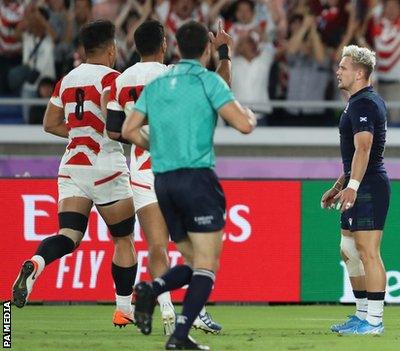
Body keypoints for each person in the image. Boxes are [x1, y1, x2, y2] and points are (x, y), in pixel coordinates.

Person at [122, 21, 256, 350]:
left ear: (177, 47)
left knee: (194, 261)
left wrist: (154, 145)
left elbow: (127, 130)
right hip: (196, 179)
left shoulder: (158, 83)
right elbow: (242, 125)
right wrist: (250, 116)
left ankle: (155, 292)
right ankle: (177, 332)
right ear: (207, 48)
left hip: (163, 182)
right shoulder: (207, 81)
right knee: (207, 265)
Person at [11, 20, 138, 329]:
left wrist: (80, 132)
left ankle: (36, 263)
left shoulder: (67, 79)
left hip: (72, 167)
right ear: (111, 49)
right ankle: (123, 310)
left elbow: (50, 123)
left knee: (69, 236)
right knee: (123, 239)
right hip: (106, 166)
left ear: (83, 49)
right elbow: (114, 124)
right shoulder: (113, 79)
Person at [107, 19, 227, 336]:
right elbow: (219, 90)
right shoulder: (173, 75)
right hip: (177, 169)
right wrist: (223, 53)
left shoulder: (121, 80)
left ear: (135, 46)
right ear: (163, 45)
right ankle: (196, 313)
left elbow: (114, 130)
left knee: (156, 246)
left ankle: (167, 310)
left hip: (142, 172)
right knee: (194, 250)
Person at [323, 45, 390, 335]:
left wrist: (352, 185)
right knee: (349, 249)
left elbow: (364, 148)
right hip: (358, 182)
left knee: (368, 251)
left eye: (344, 67)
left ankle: (374, 321)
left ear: (360, 73)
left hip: (369, 185)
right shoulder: (359, 102)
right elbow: (355, 153)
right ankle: (362, 314)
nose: (338, 71)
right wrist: (340, 184)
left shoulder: (364, 104)